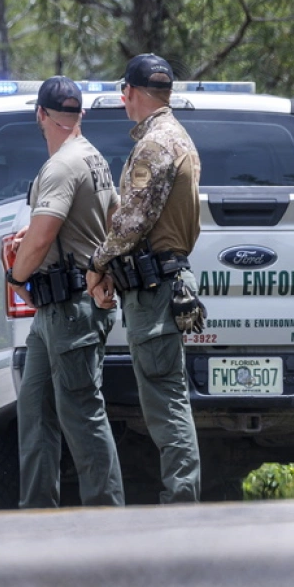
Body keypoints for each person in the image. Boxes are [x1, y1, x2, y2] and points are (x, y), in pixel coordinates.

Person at [86, 54, 203, 504]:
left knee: (164, 401)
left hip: (154, 289)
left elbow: (132, 220)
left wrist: (98, 263)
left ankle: (181, 499)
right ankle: (182, 495)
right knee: (167, 396)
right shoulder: (179, 136)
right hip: (163, 280)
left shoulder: (155, 144)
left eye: (124, 92)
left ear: (131, 92)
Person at [5, 76, 124, 509]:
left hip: (71, 306)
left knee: (82, 412)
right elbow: (113, 218)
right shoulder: (93, 157)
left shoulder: (61, 166)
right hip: (58, 309)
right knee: (34, 410)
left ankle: (106, 515)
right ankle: (38, 514)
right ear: (80, 114)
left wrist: (16, 278)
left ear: (41, 114)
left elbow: (41, 238)